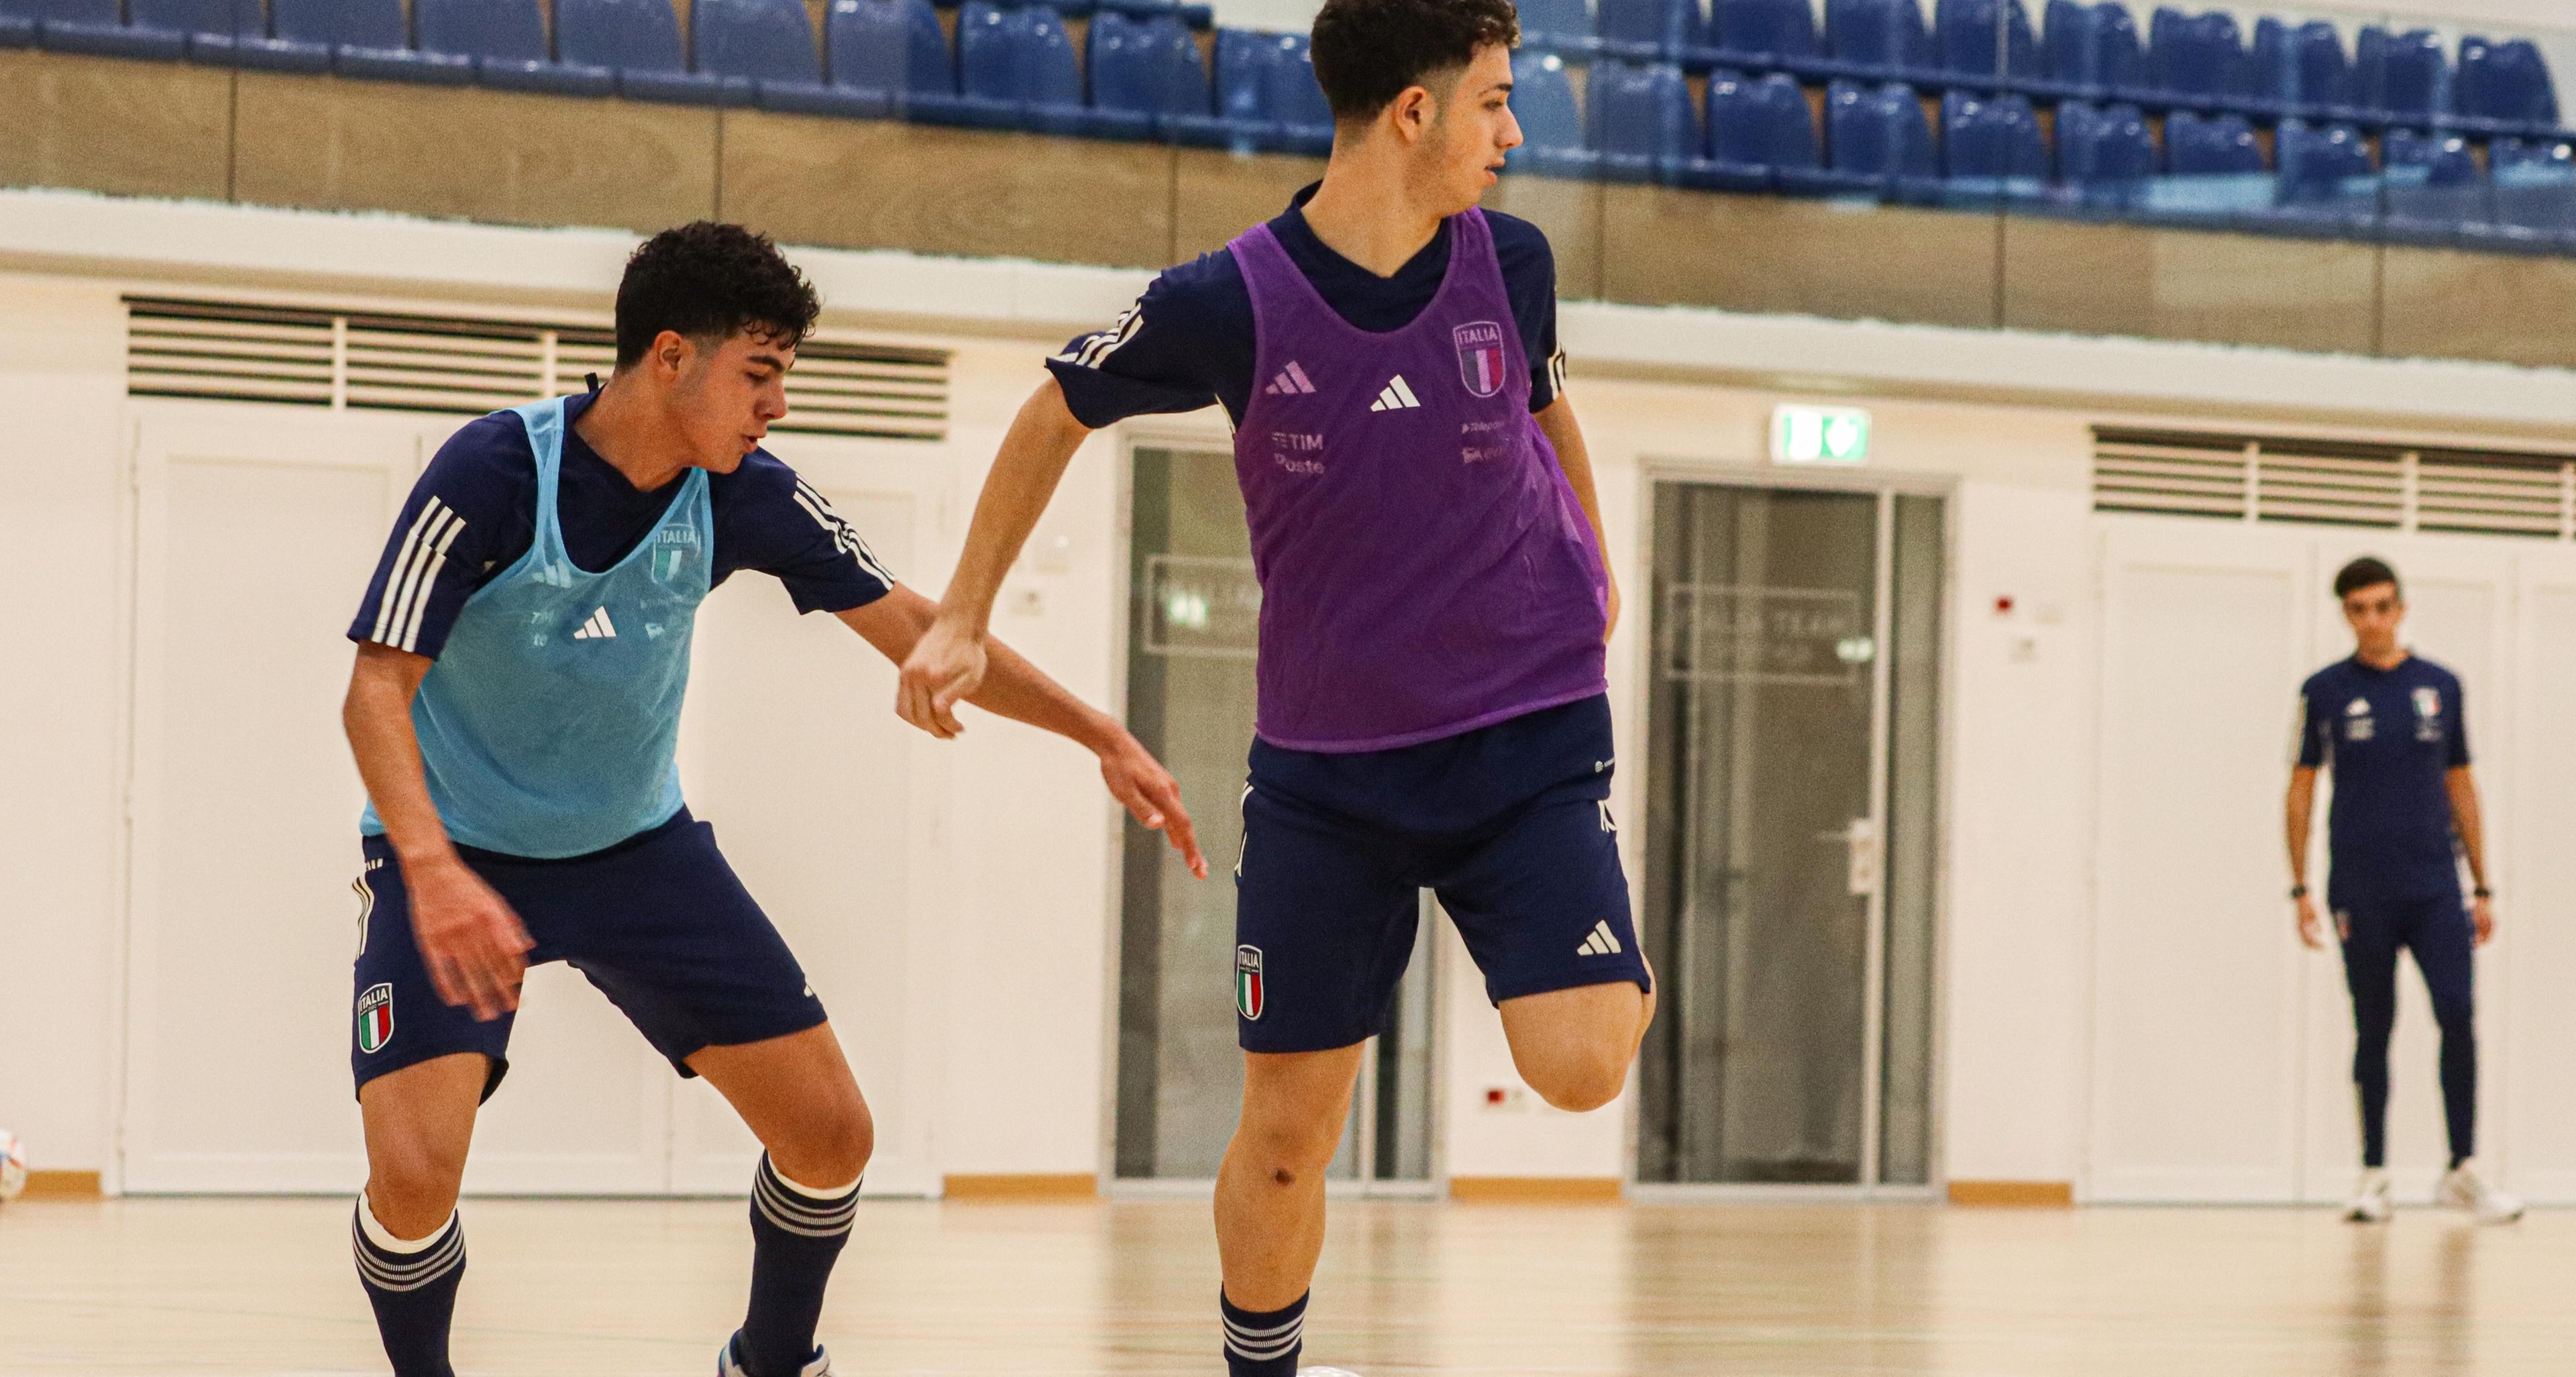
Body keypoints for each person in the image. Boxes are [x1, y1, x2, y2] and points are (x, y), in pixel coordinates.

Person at [896, 0, 1654, 1369]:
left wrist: (1595, 564)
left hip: (1526, 739)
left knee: (1584, 1063)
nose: (1513, 131)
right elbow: (1056, 405)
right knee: (1291, 1138)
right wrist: (962, 614)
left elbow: (1546, 410)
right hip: (1329, 778)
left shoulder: (1513, 261)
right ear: (1414, 113)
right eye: (1493, 100)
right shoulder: (1229, 301)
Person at [340, 222, 1204, 1377]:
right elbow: (375, 689)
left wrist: (1101, 731)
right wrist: (432, 868)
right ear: (669, 356)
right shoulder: (494, 472)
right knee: (412, 1176)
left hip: (636, 852)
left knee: (833, 1132)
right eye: (760, 373)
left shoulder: (744, 494)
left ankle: (772, 1360)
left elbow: (923, 625)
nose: (778, 405)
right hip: (455, 853)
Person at [2288, 555, 2519, 1225]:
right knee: (2374, 1025)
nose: (2373, 620)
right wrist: (2300, 887)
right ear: (2346, 614)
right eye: (2359, 609)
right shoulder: (2324, 691)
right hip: (2361, 887)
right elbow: (2301, 788)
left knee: (2457, 1012)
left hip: (2435, 886)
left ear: (2402, 608)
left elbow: (2461, 784)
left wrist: (2483, 885)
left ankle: (2462, 1169)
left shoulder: (2441, 685)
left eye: (2383, 606)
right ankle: (2373, 1174)